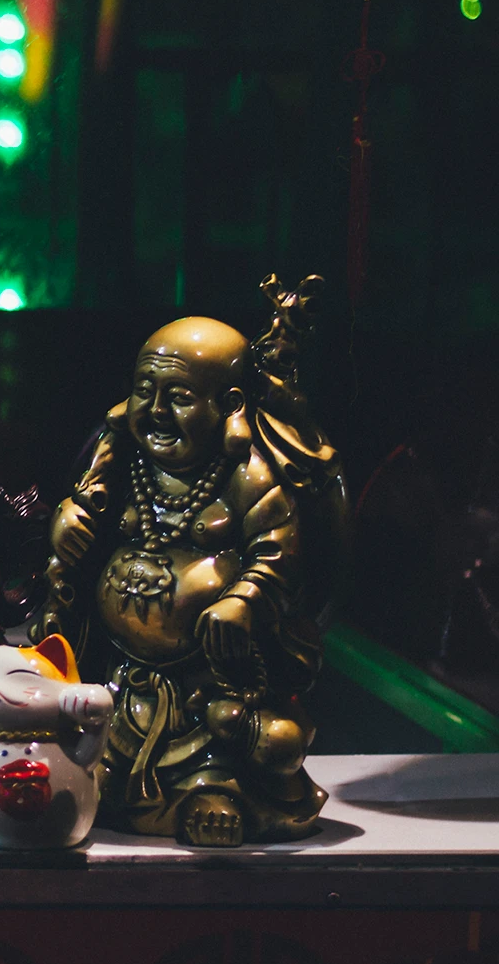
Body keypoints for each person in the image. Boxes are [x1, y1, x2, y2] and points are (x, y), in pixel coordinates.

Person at [29, 312, 341, 846]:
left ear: (231, 405)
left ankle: (212, 791)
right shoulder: (122, 459)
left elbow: (277, 553)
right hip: (121, 675)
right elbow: (83, 511)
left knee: (255, 740)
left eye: (178, 396)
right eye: (144, 390)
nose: (154, 411)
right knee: (92, 739)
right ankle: (106, 779)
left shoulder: (248, 475)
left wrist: (241, 600)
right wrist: (67, 522)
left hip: (208, 683)